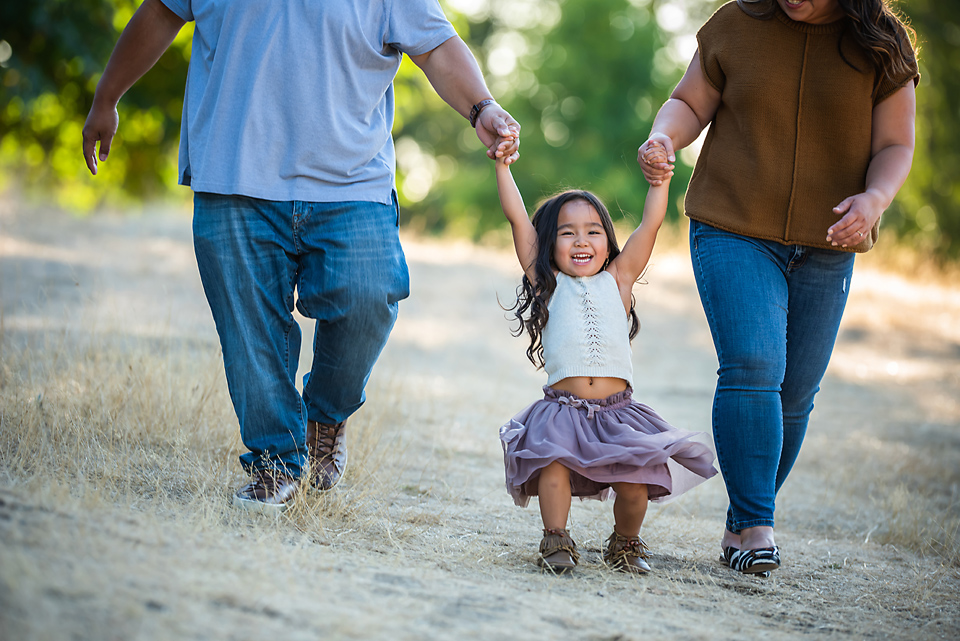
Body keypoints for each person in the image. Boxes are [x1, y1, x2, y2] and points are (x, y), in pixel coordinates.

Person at [82, 0, 521, 513]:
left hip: (351, 180)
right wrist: (106, 97)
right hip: (234, 173)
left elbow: (436, 45)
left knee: (367, 299)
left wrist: (481, 107)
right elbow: (160, 13)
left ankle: (326, 415)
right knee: (251, 329)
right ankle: (276, 461)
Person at [637, 0, 918, 576]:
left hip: (829, 240)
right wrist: (665, 137)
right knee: (753, 366)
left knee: (794, 395)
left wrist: (875, 198)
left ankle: (744, 518)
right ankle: (755, 524)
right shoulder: (736, 24)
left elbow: (895, 145)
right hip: (732, 226)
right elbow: (689, 102)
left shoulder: (882, 43)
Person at [495, 140, 718, 574]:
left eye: (593, 230)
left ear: (608, 240)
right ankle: (556, 540)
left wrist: (661, 182)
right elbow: (518, 221)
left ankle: (625, 543)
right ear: (549, 243)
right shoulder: (548, 283)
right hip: (563, 411)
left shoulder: (619, 280)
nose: (582, 241)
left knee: (635, 484)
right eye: (567, 232)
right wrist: (504, 167)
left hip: (618, 413)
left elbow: (650, 227)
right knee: (552, 469)